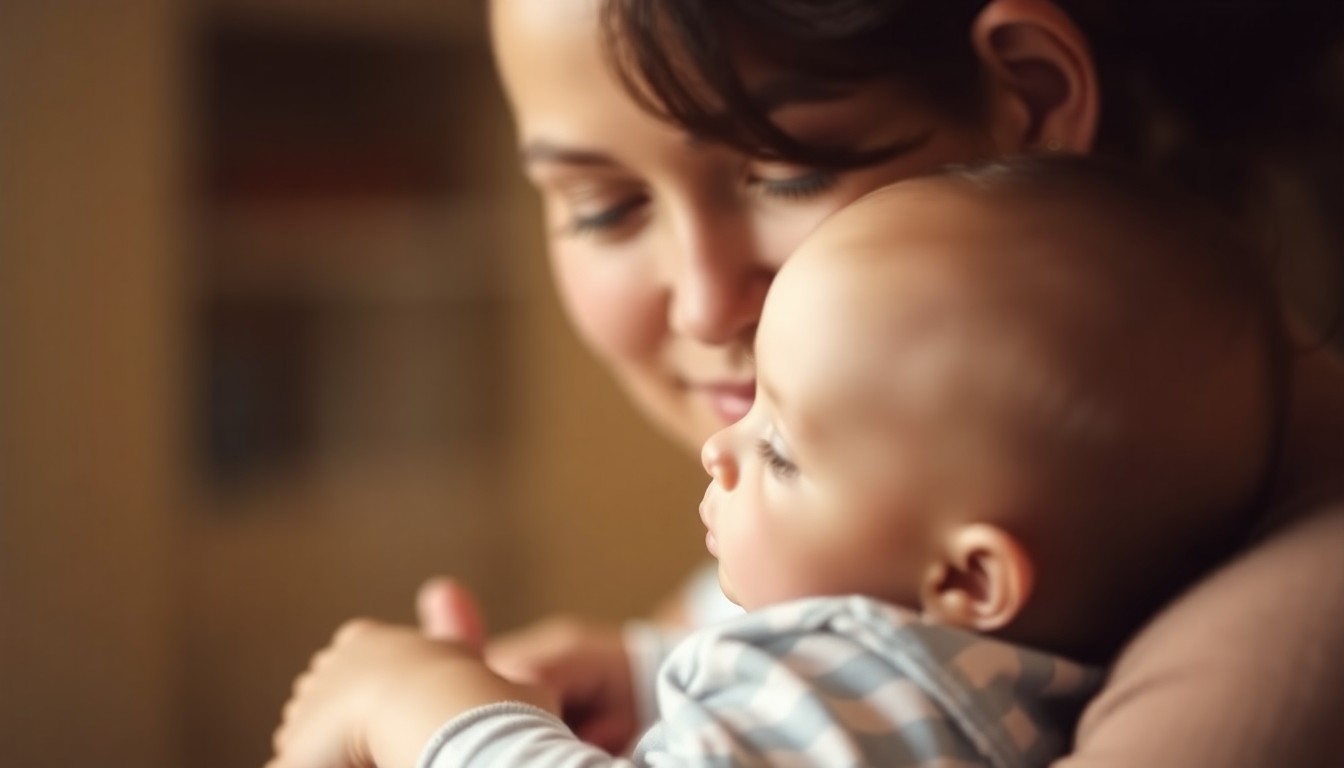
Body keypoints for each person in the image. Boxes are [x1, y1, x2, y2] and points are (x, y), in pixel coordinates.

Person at [416, 0, 1344, 764]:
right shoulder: (871, 539)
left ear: (1030, 96)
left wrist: (424, 716)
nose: (702, 306)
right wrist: (634, 668)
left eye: (787, 173)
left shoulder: (1269, 659)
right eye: (606, 208)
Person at [267, 157, 1286, 768]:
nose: (722, 447)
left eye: (783, 450)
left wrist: (424, 706)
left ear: (967, 578)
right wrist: (640, 672)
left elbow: (824, 699)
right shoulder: (991, 686)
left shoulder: (874, 684)